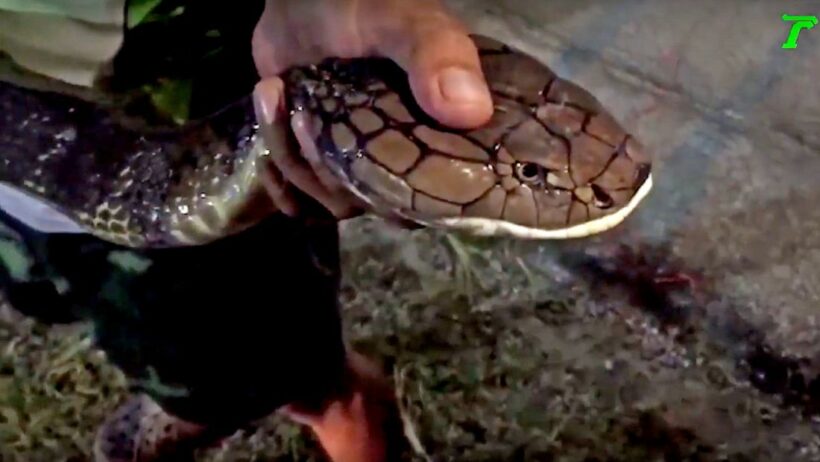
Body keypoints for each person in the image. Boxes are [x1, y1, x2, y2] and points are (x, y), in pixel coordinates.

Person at [0, 1, 493, 461]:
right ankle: (195, 394)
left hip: (192, 108)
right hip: (25, 169)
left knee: (288, 363)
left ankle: (334, 410)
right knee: (81, 303)